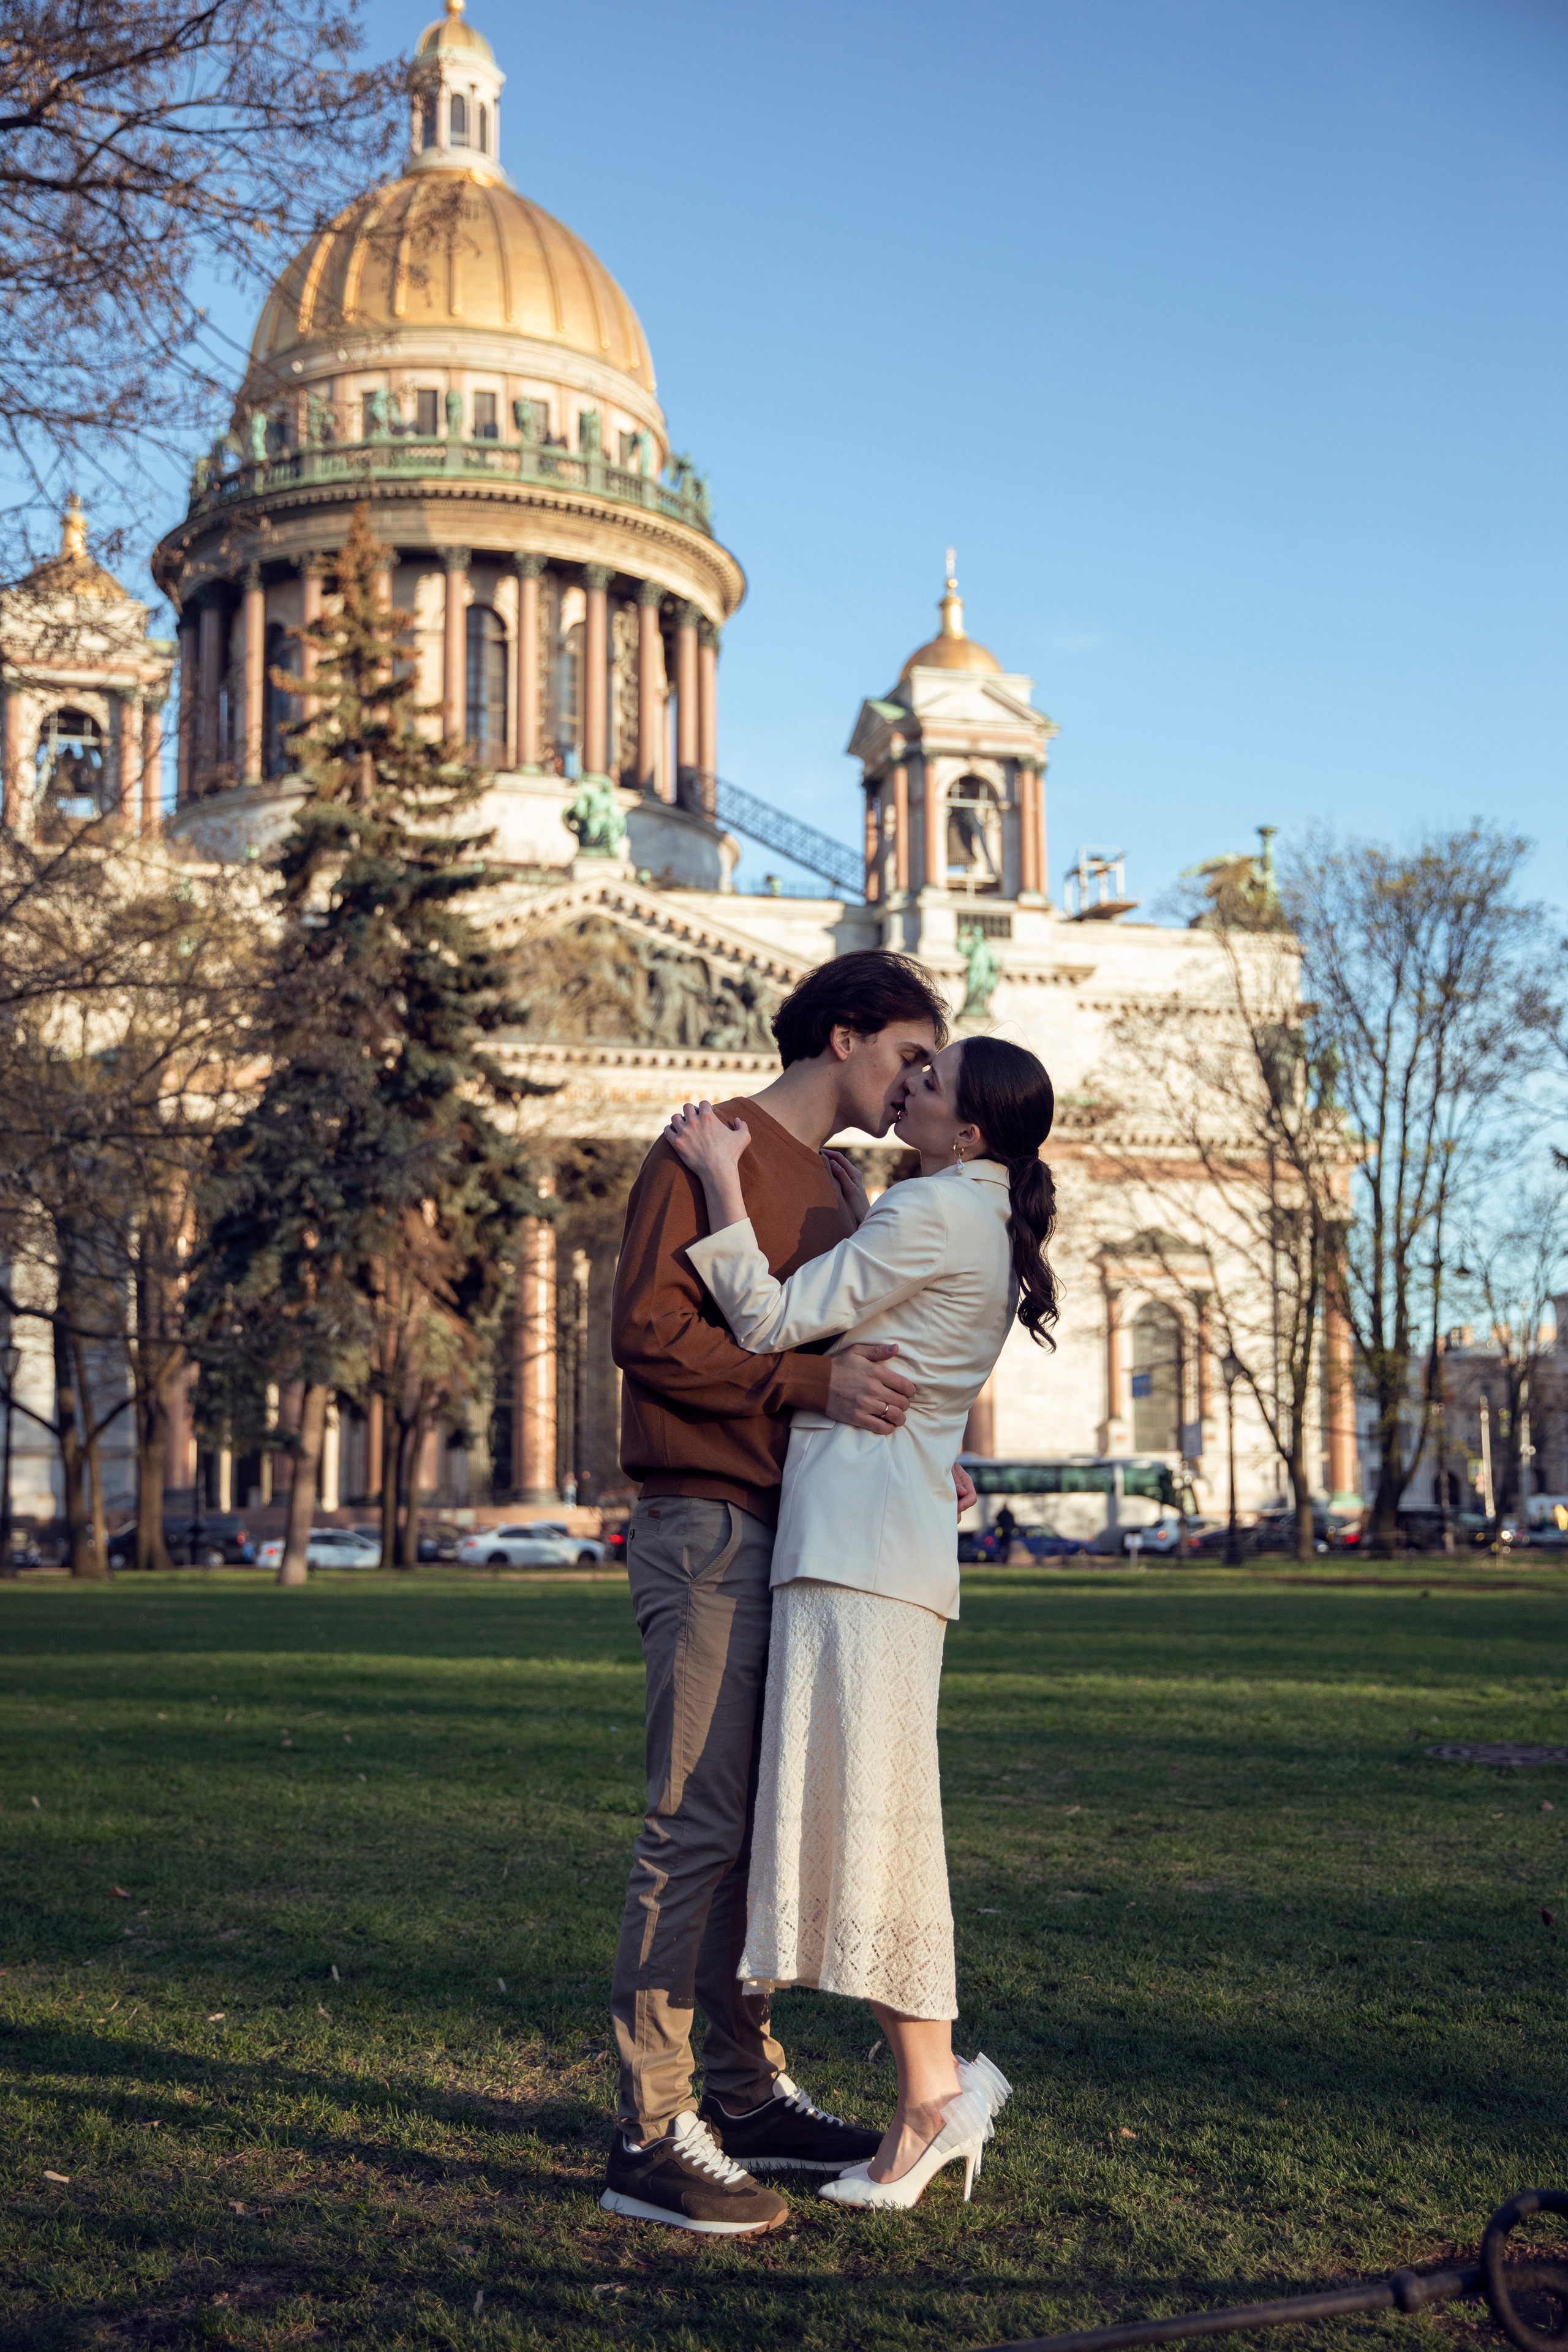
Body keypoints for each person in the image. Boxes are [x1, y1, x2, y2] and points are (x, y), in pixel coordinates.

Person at [601, 949, 978, 2237]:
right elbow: (651, 1336)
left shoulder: (839, 1180)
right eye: (906, 1057)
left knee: (757, 1833)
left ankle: (740, 2092)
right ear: (839, 1034)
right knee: (691, 1827)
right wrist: (807, 1390)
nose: (917, 1082)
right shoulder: (705, 1146)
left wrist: (912, 1452)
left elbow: (840, 1345)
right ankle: (650, 2131)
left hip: (803, 1534)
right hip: (706, 1522)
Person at [667, 1031, 1057, 2211]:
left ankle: (936, 2099)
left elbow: (770, 1321)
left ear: (971, 1130)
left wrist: (719, 1178)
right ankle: (936, 2089)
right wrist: (853, 1203)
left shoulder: (934, 1214)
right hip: (888, 1556)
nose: (908, 1089)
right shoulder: (966, 1216)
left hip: (852, 1560)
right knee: (880, 1826)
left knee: (878, 1833)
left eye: (929, 1085)